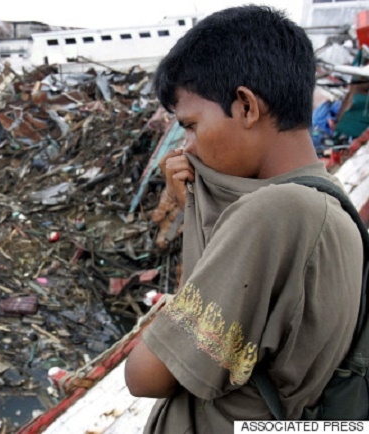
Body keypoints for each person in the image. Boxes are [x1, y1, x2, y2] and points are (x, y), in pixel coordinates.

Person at [124, 5, 363, 433]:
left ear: (246, 106)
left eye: (192, 125)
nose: (188, 148)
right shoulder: (329, 204)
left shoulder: (274, 214)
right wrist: (197, 208)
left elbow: (144, 376)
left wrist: (200, 213)